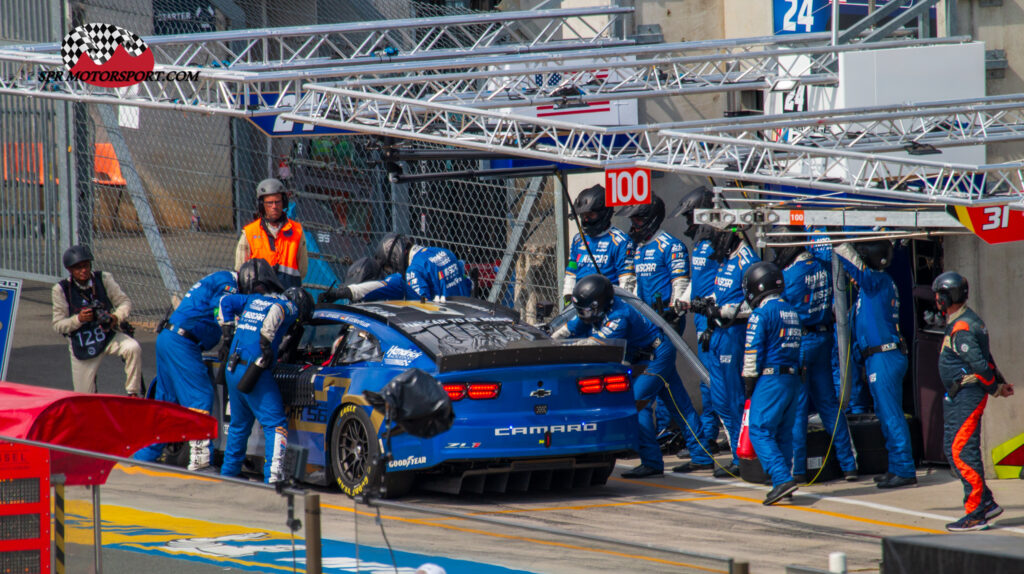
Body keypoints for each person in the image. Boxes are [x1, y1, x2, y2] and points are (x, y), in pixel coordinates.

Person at [552, 274, 691, 478]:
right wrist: (550, 337)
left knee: (637, 404)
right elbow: (571, 327)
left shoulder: (620, 316)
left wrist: (564, 347)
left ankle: (653, 462)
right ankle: (700, 456)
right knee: (678, 404)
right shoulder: (597, 310)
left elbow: (592, 345)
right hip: (645, 355)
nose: (582, 314)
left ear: (599, 304)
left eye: (586, 309)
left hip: (656, 355)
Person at [619, 193, 712, 469]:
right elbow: (629, 288)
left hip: (665, 333)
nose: (634, 224)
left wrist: (671, 316)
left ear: (651, 218)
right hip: (643, 335)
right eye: (632, 219)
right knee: (676, 400)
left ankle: (651, 460)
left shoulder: (671, 246)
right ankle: (700, 454)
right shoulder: (633, 248)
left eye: (638, 218)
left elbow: (681, 288)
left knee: (638, 400)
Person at [133, 264, 253, 470]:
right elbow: (222, 308)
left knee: (167, 403)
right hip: (182, 342)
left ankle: (142, 456)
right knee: (200, 396)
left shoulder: (220, 278)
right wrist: (228, 337)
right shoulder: (228, 284)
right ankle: (200, 460)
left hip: (170, 338)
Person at [933, 271, 1014, 532]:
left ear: (948, 297)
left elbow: (980, 364)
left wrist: (994, 387)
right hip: (960, 396)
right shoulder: (966, 321)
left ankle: (976, 512)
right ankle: (987, 501)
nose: (936, 300)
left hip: (967, 396)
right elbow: (987, 358)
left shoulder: (963, 326)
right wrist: (998, 384)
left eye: (939, 296)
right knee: (953, 448)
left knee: (962, 451)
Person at [834, 239, 916, 489]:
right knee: (885, 413)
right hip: (879, 357)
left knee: (891, 415)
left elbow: (856, 268)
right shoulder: (871, 289)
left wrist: (838, 242)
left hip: (885, 357)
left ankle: (904, 468)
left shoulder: (877, 281)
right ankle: (896, 467)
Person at [775, 240, 859, 483]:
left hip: (801, 343)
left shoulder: (789, 275)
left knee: (798, 409)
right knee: (829, 405)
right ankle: (849, 466)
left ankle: (797, 470)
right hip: (824, 339)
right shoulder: (823, 266)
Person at [217, 276, 312, 483]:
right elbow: (278, 311)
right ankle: (275, 478)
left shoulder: (254, 299)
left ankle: (229, 474)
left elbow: (224, 302)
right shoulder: (289, 305)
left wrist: (226, 336)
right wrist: (267, 343)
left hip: (232, 367)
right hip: (255, 369)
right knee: (276, 424)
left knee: (239, 425)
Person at [688, 228, 761, 478]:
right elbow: (719, 295)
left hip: (735, 335)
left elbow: (756, 304)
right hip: (718, 334)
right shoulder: (725, 260)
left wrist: (724, 311)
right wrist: (702, 303)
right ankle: (736, 454)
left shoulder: (748, 261)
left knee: (735, 398)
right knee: (720, 400)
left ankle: (746, 458)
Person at [741, 262, 804, 505]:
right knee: (784, 433)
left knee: (759, 429)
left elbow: (752, 350)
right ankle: (784, 477)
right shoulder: (792, 311)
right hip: (792, 378)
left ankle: (781, 479)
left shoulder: (761, 313)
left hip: (771, 377)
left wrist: (748, 380)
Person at [51, 244, 143, 396]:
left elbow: (124, 302)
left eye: (86, 265)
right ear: (69, 270)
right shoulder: (60, 290)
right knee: (83, 397)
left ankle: (133, 393)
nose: (84, 270)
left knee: (132, 347)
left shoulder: (104, 278)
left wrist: (116, 317)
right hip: (82, 342)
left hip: (106, 335)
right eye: (78, 268)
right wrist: (78, 319)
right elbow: (58, 325)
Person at [562, 184, 635, 306]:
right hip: (580, 304)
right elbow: (571, 271)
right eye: (583, 216)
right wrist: (568, 297)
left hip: (606, 304)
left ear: (603, 213)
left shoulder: (621, 241)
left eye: (590, 216)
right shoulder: (578, 239)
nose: (585, 220)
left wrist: (620, 306)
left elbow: (627, 280)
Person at [235, 178, 308, 289]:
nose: (274, 206)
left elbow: (302, 270)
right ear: (261, 205)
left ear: (283, 202)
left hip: (288, 294)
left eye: (277, 202)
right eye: (269, 203)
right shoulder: (249, 233)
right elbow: (240, 270)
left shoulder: (297, 231)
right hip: (259, 297)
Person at [371, 233, 470, 301]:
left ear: (395, 259)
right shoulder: (444, 251)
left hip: (445, 322)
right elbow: (467, 283)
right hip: (467, 312)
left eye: (390, 268)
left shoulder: (414, 270)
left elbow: (421, 308)